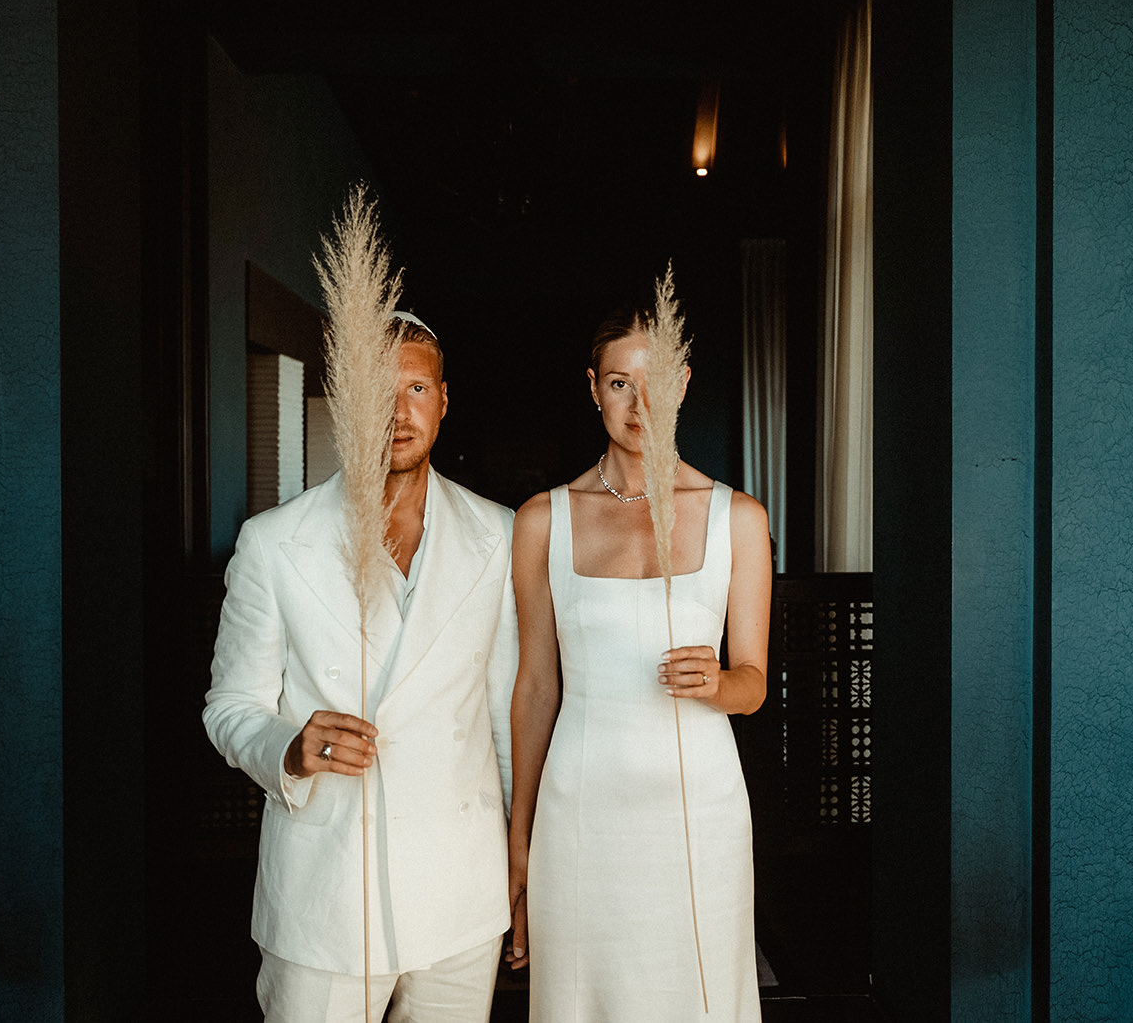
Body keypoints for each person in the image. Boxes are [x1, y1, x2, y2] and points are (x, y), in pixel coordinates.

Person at [203, 313, 519, 1023]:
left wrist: (518, 858)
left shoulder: (499, 534)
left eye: (416, 388)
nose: (398, 412)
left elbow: (506, 713)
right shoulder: (274, 542)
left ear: (443, 399)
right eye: (377, 390)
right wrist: (289, 748)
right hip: (326, 892)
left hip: (460, 891)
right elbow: (230, 706)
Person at [506, 309, 771, 1021]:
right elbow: (536, 688)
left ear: (682, 384)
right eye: (620, 382)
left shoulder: (739, 518)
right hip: (581, 811)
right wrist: (520, 836)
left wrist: (719, 681)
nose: (638, 403)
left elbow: (753, 685)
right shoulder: (542, 520)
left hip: (700, 809)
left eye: (654, 383)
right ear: (594, 388)